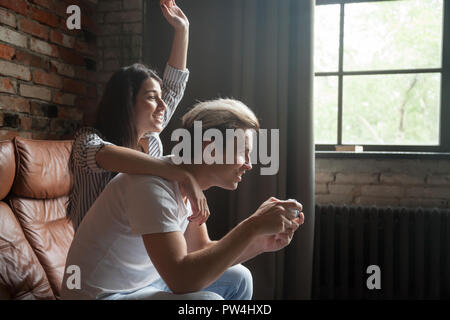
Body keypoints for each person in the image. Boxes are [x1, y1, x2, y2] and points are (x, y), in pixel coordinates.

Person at [61, 98, 304, 300]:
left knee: (240, 279)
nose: (249, 164)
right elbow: (181, 279)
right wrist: (252, 226)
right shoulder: (152, 187)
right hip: (100, 295)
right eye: (244, 152)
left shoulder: (189, 184)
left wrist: (261, 241)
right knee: (207, 302)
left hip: (145, 283)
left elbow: (200, 249)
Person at [67, 0, 210, 231]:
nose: (163, 105)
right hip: (98, 257)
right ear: (127, 104)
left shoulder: (150, 142)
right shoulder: (87, 142)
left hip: (137, 250)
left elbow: (173, 89)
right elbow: (105, 154)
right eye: (153, 97)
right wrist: (183, 175)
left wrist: (183, 30)